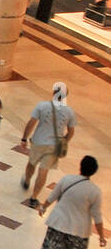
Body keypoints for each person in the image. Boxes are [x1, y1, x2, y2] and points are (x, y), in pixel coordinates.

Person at [36, 155, 105, 249]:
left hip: (58, 224)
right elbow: (97, 217)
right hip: (79, 231)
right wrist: (101, 237)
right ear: (94, 172)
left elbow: (53, 196)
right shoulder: (95, 191)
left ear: (80, 166)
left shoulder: (67, 179)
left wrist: (43, 207)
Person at [21, 81, 77, 209]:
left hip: (38, 141)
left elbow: (31, 123)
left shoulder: (42, 106)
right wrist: (64, 142)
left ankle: (27, 180)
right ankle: (34, 197)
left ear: (53, 92)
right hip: (54, 146)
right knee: (44, 171)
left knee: (31, 163)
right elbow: (71, 132)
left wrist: (24, 138)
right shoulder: (69, 112)